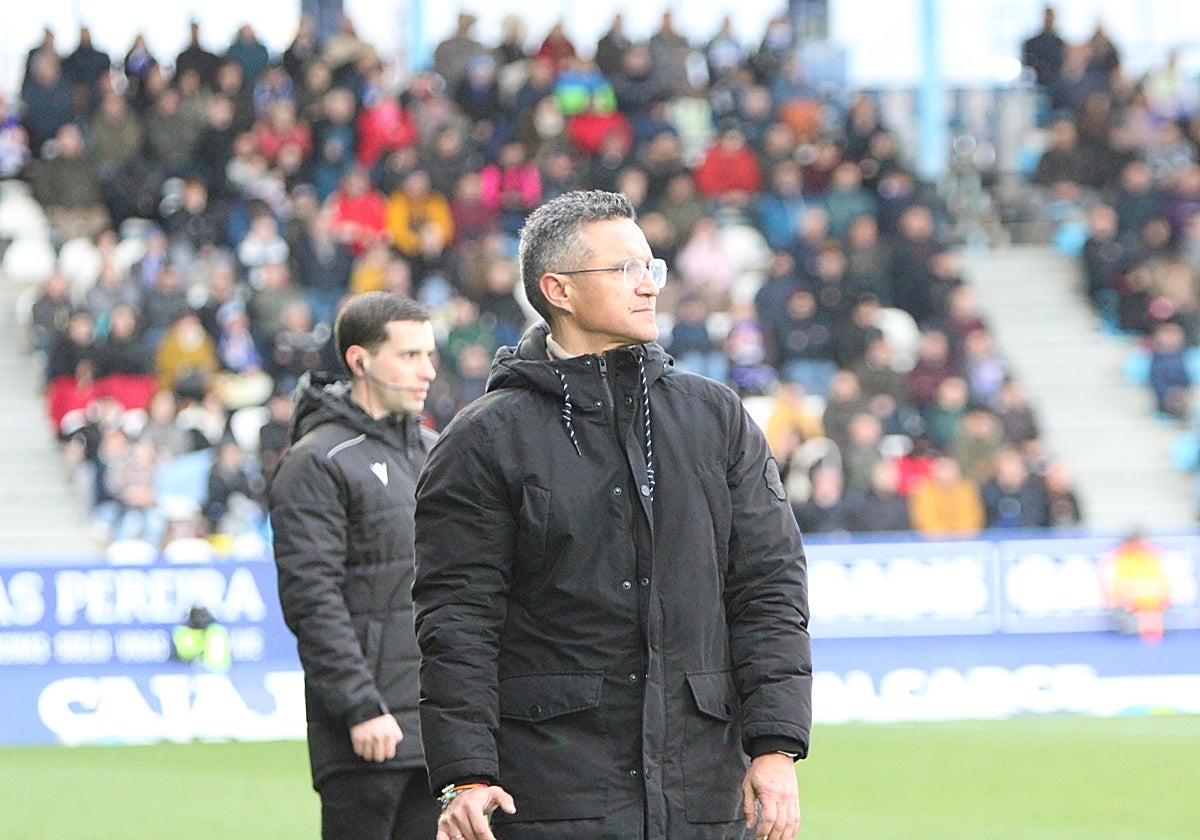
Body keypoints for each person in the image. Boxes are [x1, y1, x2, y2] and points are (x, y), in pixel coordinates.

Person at [412, 190, 810, 840]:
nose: (648, 285)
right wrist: (466, 773)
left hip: (702, 794)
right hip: (552, 795)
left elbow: (769, 588)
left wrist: (776, 745)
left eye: (651, 268)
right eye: (625, 269)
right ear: (558, 290)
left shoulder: (715, 417)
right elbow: (457, 619)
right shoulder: (484, 439)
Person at [268, 292, 441, 840]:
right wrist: (360, 707)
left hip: (440, 731)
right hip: (368, 733)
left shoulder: (436, 451)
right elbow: (311, 598)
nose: (428, 371)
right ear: (359, 361)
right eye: (409, 356)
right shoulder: (316, 461)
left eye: (429, 355)